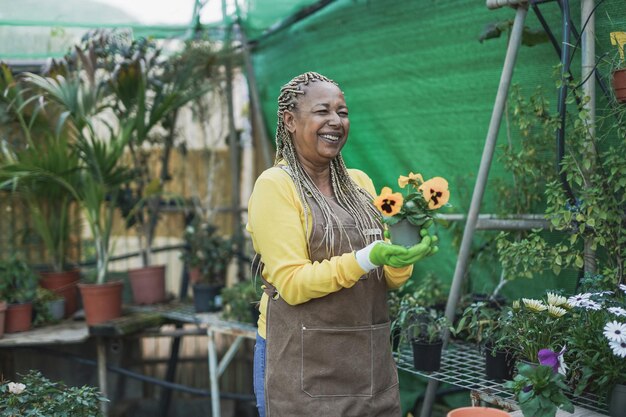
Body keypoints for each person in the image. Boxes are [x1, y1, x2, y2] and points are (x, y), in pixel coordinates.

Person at [246, 72, 438, 417]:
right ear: (290, 120)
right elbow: (291, 284)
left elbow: (389, 280)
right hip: (301, 364)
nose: (335, 121)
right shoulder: (276, 186)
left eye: (343, 112)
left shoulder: (360, 184)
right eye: (322, 111)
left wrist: (402, 255)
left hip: (368, 361)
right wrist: (367, 257)